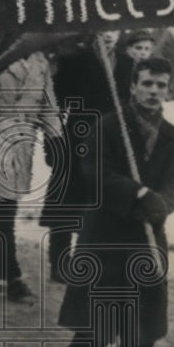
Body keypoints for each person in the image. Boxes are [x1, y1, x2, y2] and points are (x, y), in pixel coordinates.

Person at [47, 57, 174, 347]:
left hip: (147, 243)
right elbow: (96, 175)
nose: (154, 91)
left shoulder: (173, 139)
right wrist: (138, 193)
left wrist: (163, 202)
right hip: (108, 239)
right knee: (104, 324)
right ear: (133, 86)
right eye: (147, 84)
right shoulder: (108, 128)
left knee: (143, 331)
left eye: (161, 85)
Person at [0, 51, 62, 302]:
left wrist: (55, 138)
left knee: (0, 208)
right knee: (1, 212)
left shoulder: (40, 62)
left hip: (24, 143)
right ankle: (13, 278)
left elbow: (48, 103)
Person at [43, 30, 124, 283]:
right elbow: (55, 105)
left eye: (115, 29)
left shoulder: (128, 63)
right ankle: (59, 261)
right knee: (66, 204)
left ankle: (86, 260)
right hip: (76, 140)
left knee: (99, 203)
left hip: (111, 145)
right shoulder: (76, 60)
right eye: (104, 29)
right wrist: (52, 142)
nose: (109, 35)